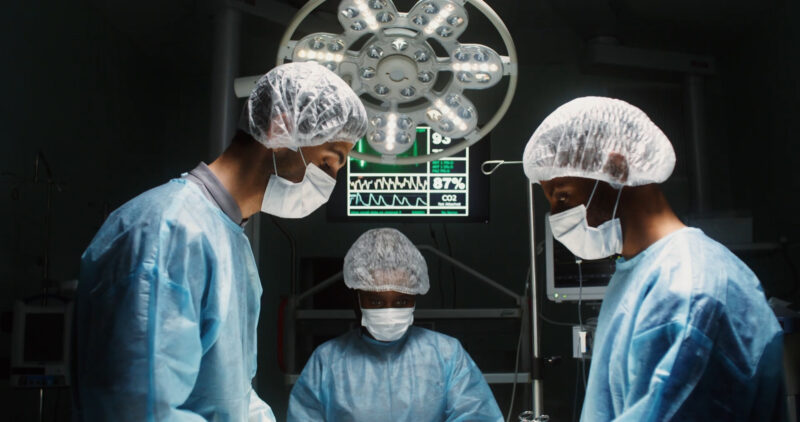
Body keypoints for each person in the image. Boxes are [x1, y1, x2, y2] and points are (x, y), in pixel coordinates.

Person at [72, 62, 368, 421]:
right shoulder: (168, 231)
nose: (331, 181)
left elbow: (232, 395)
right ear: (281, 128)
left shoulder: (229, 241)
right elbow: (141, 409)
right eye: (328, 161)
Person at [522, 96, 786, 421]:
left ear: (616, 169)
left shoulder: (689, 290)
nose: (557, 215)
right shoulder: (639, 272)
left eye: (563, 195)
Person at [287, 228, 504, 422]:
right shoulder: (327, 362)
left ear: (415, 298)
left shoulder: (446, 355)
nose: (389, 311)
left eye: (401, 301)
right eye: (376, 301)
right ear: (357, 299)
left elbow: (477, 415)